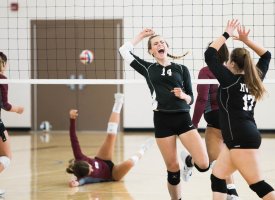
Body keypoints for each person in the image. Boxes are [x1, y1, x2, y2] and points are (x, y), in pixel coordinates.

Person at [119, 28, 209, 200]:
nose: (160, 44)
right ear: (151, 51)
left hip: (183, 118)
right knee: (172, 169)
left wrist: (183, 96)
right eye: (155, 43)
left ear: (167, 47)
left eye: (162, 42)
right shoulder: (147, 68)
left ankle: (188, 162)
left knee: (204, 164)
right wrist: (141, 36)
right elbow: (124, 50)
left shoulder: (182, 69)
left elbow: (191, 98)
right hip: (162, 119)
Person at [205, 19, 275, 200]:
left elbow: (210, 54)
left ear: (233, 65)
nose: (226, 64)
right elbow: (266, 56)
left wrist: (227, 33)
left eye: (228, 61)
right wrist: (246, 41)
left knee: (258, 185)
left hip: (240, 137)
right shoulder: (254, 79)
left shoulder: (229, 80)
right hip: (241, 136)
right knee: (217, 176)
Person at [66, 93, 153, 187]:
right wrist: (75, 183)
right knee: (130, 163)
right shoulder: (84, 178)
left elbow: (73, 139)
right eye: (90, 171)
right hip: (112, 174)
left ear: (84, 162)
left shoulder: (79, 157)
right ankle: (143, 149)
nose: (92, 169)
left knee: (111, 135)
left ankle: (118, 103)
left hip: (102, 159)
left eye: (90, 167)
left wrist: (72, 119)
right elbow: (80, 182)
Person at [192, 43, 239, 200]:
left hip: (215, 117)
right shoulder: (231, 71)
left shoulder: (206, 71)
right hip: (233, 119)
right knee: (223, 157)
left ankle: (189, 160)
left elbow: (201, 99)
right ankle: (232, 191)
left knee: (213, 161)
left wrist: (194, 124)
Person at [0, 52, 24, 195]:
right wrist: (18, 109)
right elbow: (5, 105)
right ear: (3, 63)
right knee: (7, 156)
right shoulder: (2, 79)